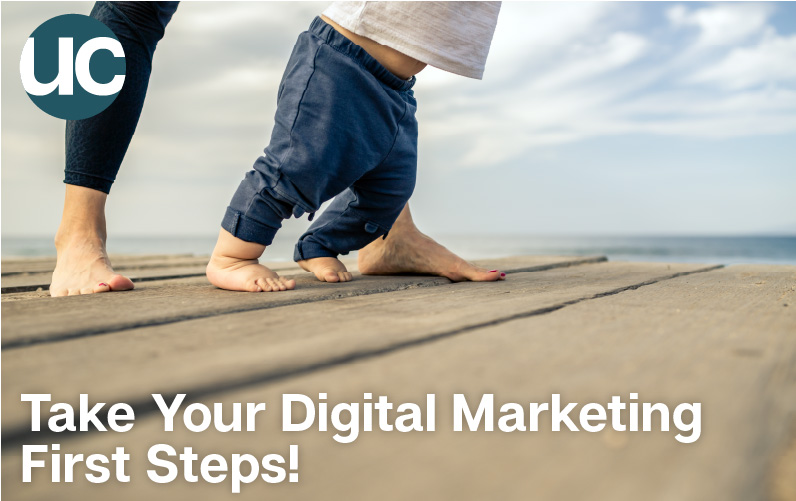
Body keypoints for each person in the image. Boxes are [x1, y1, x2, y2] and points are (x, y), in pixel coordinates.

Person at [51, 1, 506, 296]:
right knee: (296, 166)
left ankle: (384, 235)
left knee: (387, 174)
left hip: (394, 89)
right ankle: (219, 253)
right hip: (343, 66)